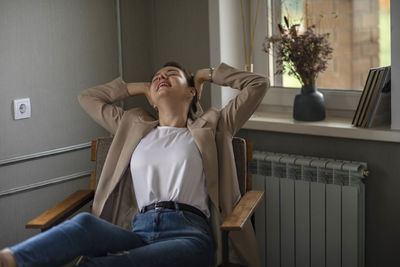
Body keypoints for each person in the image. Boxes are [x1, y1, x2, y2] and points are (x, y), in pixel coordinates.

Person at [0, 61, 268, 267]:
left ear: (190, 92)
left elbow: (258, 84)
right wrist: (139, 87)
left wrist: (204, 74)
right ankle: (12, 260)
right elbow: (88, 97)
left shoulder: (214, 125)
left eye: (170, 74)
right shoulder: (132, 125)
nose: (160, 78)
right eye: (156, 78)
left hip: (188, 235)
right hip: (139, 230)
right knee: (84, 225)